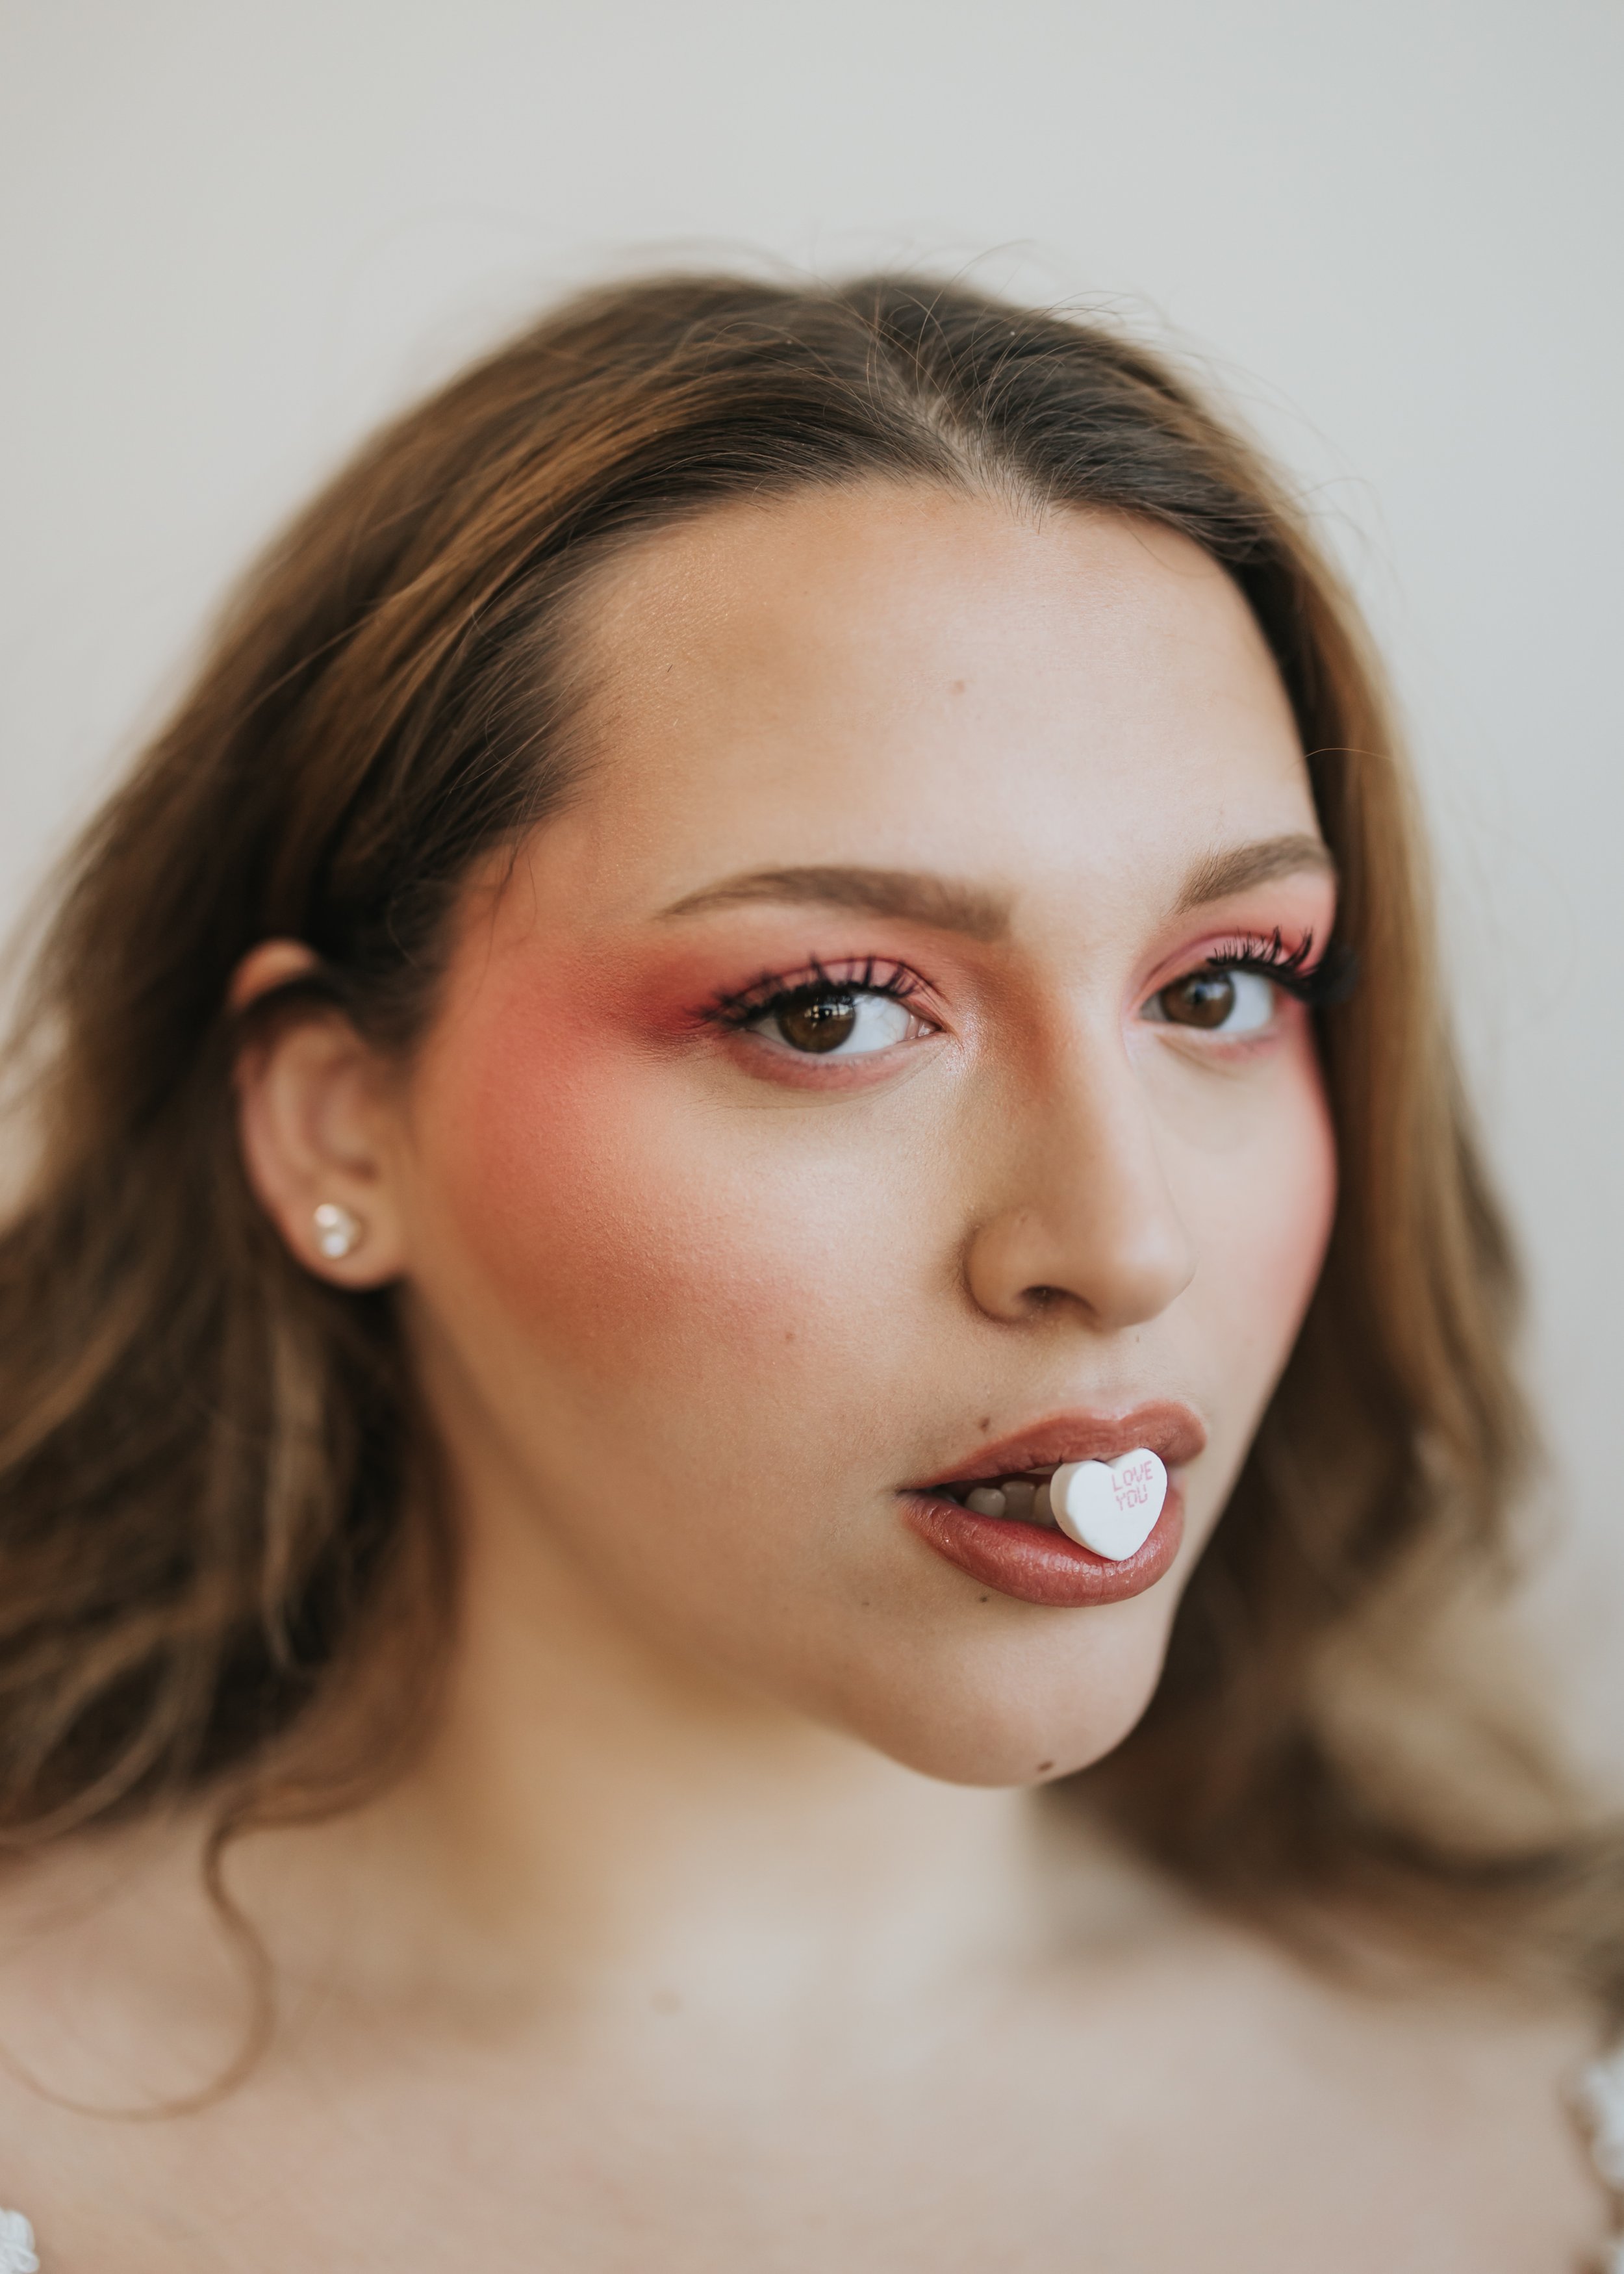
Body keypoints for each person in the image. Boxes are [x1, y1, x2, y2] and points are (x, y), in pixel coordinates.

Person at [0, 273, 1616, 2269]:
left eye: (1216, 986)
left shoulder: (1567, 2083)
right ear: (343, 1124)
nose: (1118, 1242)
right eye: (836, 1010)